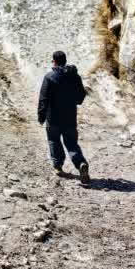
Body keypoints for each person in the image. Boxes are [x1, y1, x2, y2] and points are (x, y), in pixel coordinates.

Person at [38, 50, 90, 185]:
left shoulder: (49, 77)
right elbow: (81, 96)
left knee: (54, 141)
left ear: (54, 61)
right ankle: (81, 163)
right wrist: (74, 101)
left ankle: (58, 167)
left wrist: (41, 115)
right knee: (72, 143)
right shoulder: (75, 77)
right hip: (70, 117)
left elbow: (43, 98)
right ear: (65, 61)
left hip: (53, 117)